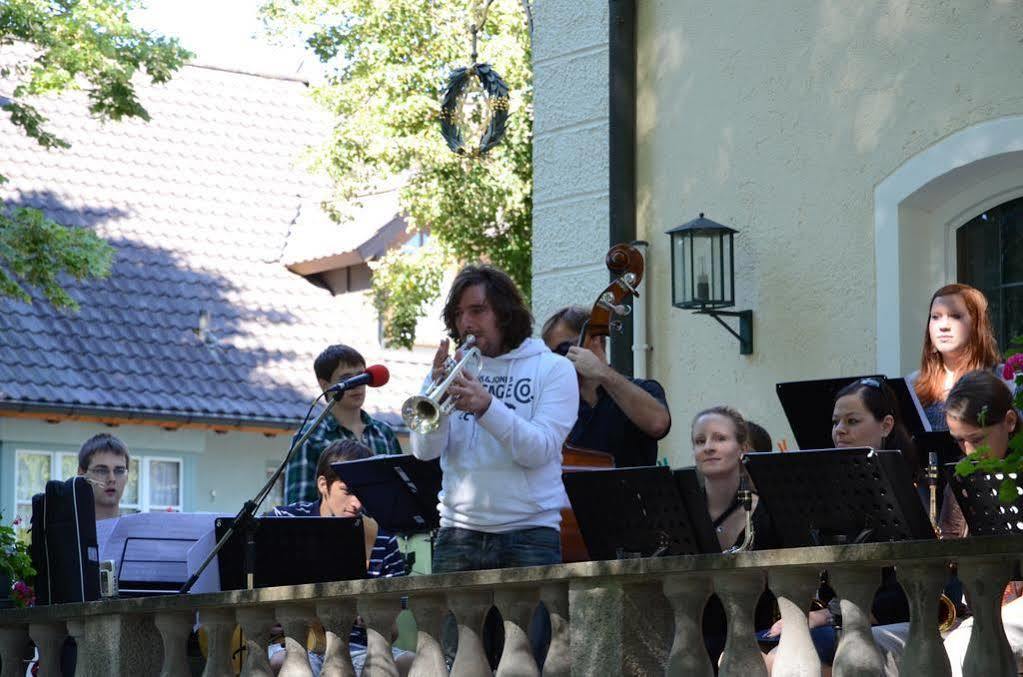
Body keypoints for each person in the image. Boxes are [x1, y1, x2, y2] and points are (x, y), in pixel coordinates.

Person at [411, 264, 578, 573]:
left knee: (529, 625)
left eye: (477, 310)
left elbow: (539, 450)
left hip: (530, 535)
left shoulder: (553, 369)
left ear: (504, 313)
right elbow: (425, 452)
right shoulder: (450, 370)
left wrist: (486, 407)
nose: (466, 323)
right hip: (458, 534)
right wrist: (438, 398)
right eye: (459, 314)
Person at [871, 370, 1023, 676]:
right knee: (873, 644)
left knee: (961, 646)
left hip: (1010, 606)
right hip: (974, 609)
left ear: (1009, 422)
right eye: (959, 442)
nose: (968, 452)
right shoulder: (963, 477)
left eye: (976, 439)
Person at [269, 439, 411, 676]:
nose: (357, 503)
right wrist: (267, 618)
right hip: (294, 644)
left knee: (420, 665)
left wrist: (377, 620)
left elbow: (393, 631)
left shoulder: (382, 538)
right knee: (282, 665)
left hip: (361, 649)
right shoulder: (283, 521)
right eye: (347, 491)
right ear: (323, 484)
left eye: (363, 492)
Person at [691, 406, 778, 667]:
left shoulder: (769, 512)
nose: (708, 447)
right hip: (694, 637)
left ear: (743, 449)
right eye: (699, 441)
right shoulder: (680, 509)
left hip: (758, 636)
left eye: (720, 438)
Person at [541, 305, 671, 467]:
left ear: (595, 339)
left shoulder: (645, 389)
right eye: (550, 355)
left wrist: (601, 372)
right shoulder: (554, 404)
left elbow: (658, 424)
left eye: (564, 350)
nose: (557, 361)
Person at [285, 344, 401, 504]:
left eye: (361, 376)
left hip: (384, 529)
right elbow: (298, 507)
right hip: (333, 529)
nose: (357, 384)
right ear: (325, 385)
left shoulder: (384, 433)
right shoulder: (309, 437)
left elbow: (401, 494)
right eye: (346, 378)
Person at [909, 284, 1002, 431]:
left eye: (955, 316)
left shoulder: (1003, 379)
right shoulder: (912, 385)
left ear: (976, 324)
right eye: (935, 317)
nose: (943, 326)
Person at [77, 433, 130, 520]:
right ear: (81, 474)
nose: (112, 479)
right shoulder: (68, 531)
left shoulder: (139, 532)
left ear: (127, 476)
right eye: (101, 471)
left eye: (119, 471)